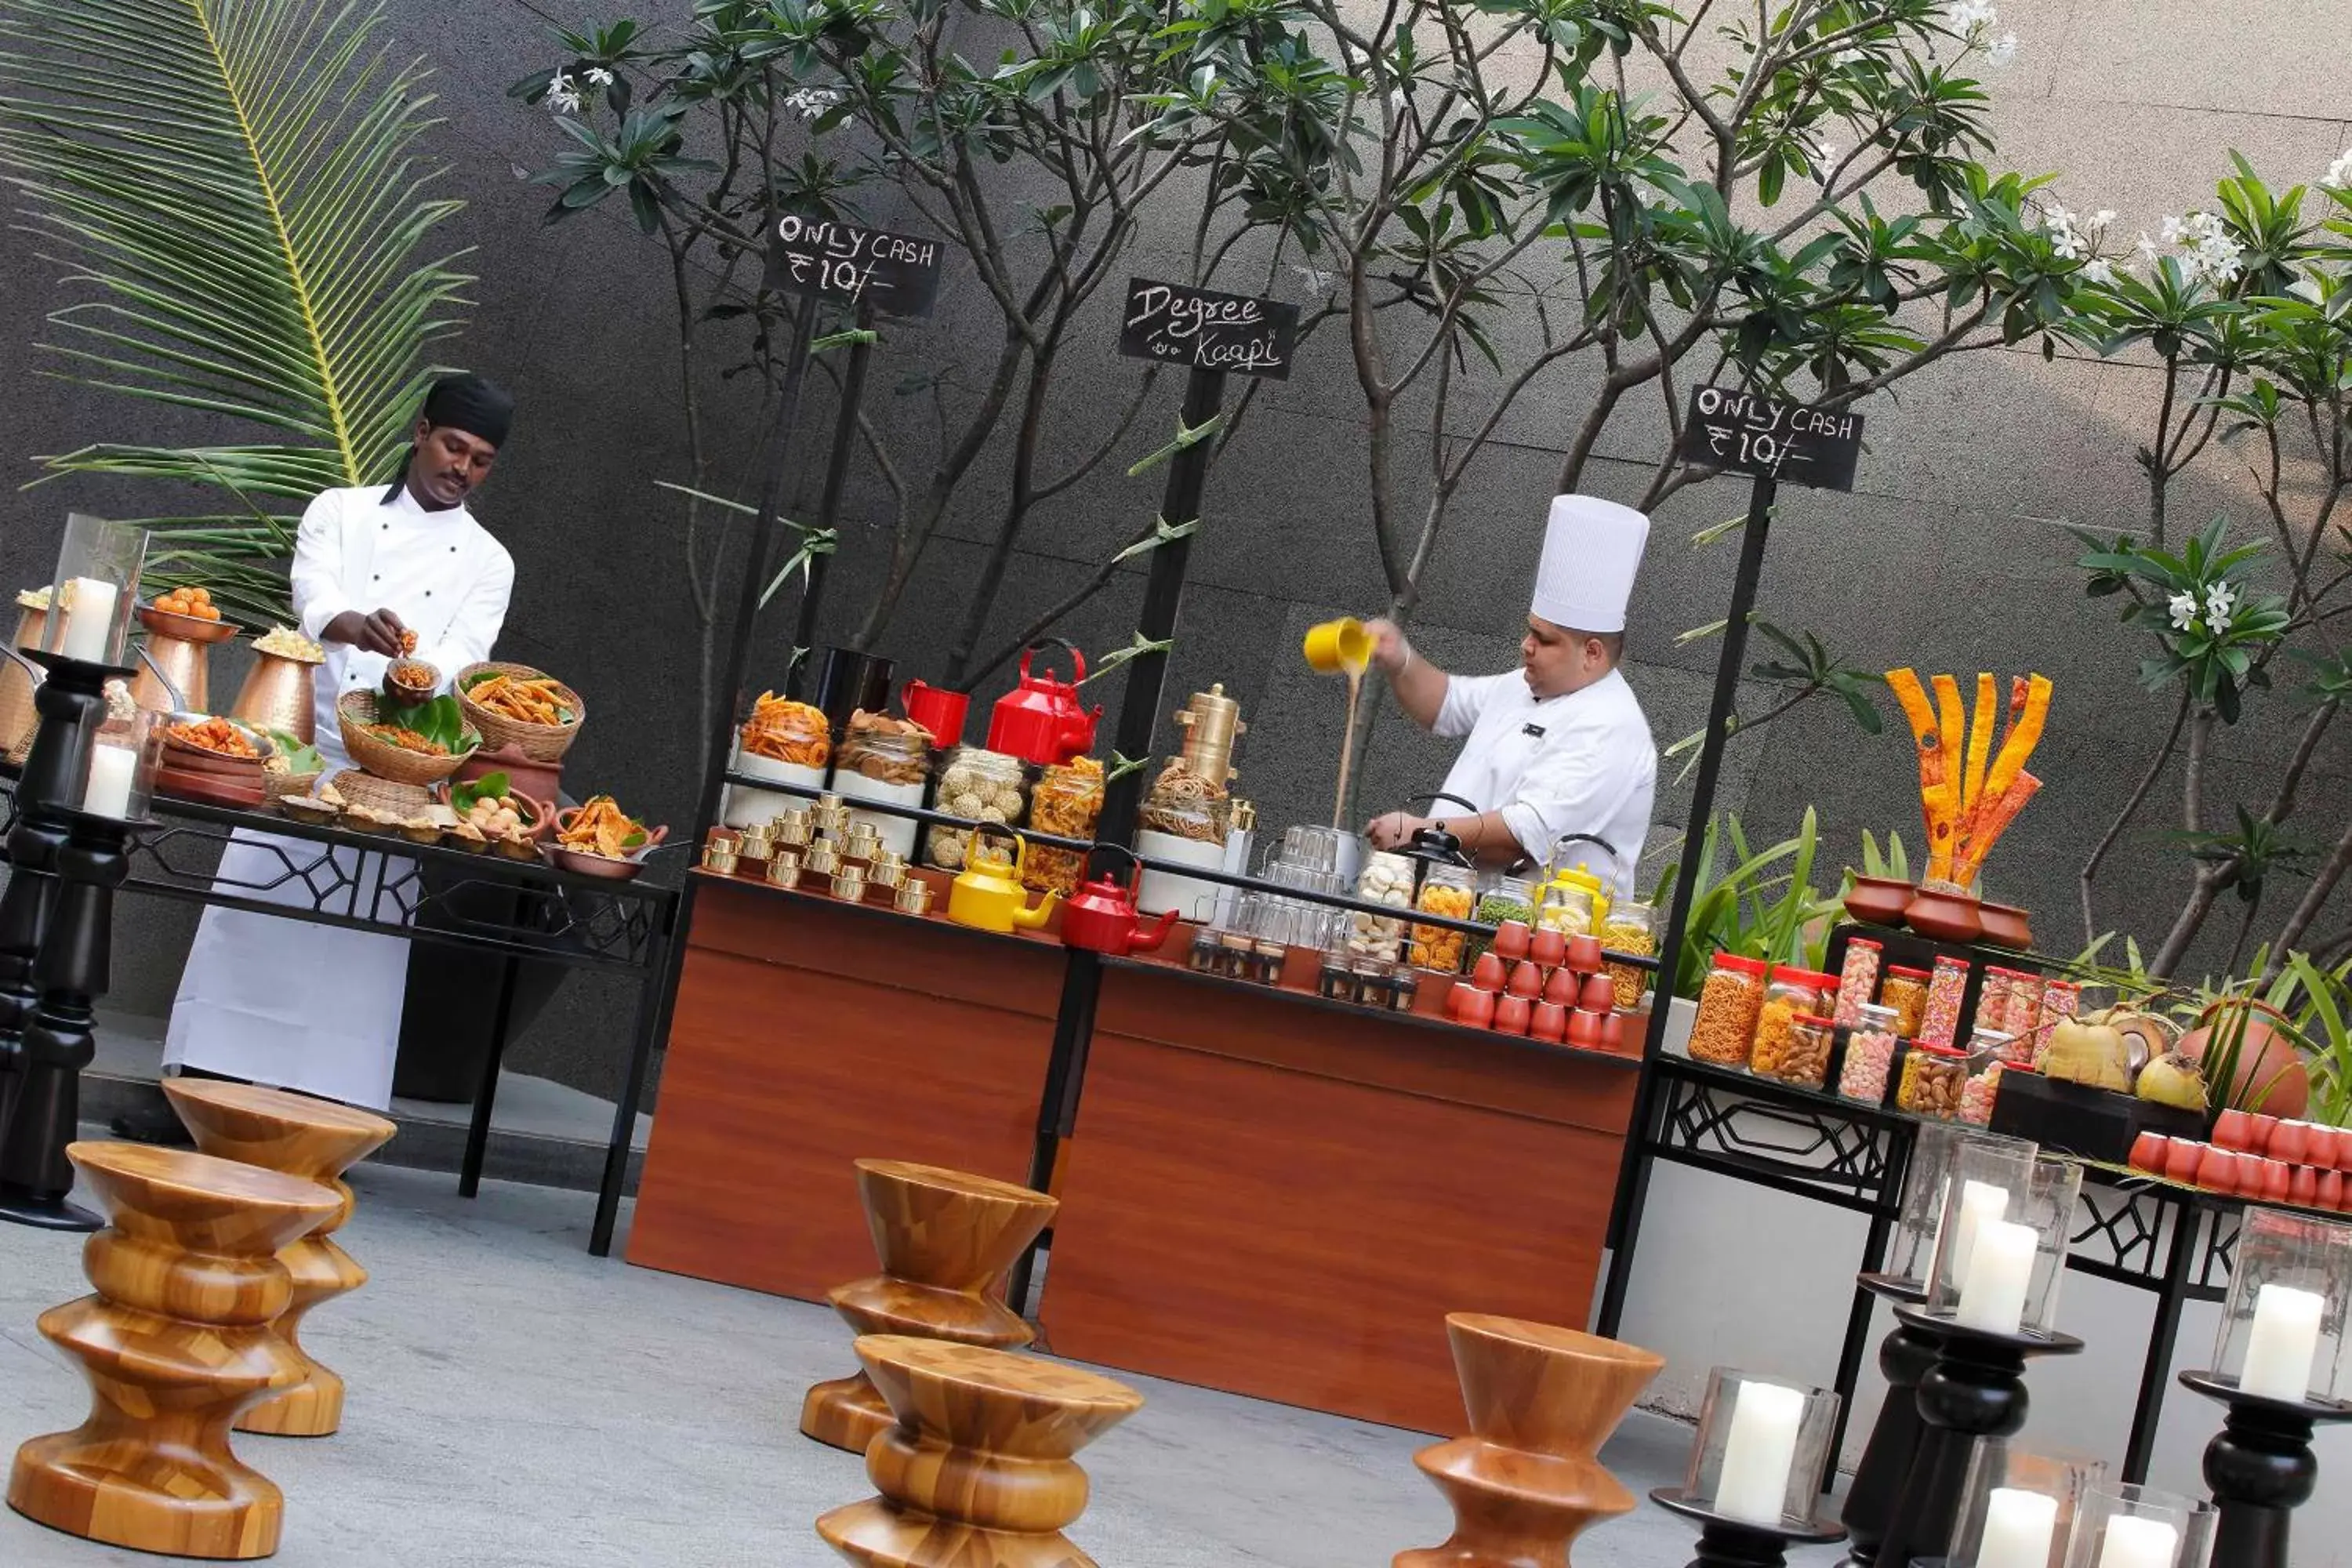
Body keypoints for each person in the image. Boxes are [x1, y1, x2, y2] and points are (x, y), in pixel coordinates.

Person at [143, 374, 518, 1124]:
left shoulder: (489, 559)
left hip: (397, 776)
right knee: (249, 919)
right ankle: (194, 1100)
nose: (461, 469)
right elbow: (310, 592)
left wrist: (417, 675)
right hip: (302, 754)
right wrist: (352, 625)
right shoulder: (340, 511)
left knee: (359, 952)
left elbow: (467, 654)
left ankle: (326, 1118)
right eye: (452, 446)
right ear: (421, 432)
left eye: (480, 460)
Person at [1361, 493, 1657, 899]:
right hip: (1454, 909)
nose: (1526, 646)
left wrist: (1421, 831)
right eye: (1530, 630)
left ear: (1592, 653)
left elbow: (1522, 836)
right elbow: (1446, 704)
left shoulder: (1610, 726)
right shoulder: (1522, 685)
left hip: (1541, 943)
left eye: (1544, 639)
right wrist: (1400, 658)